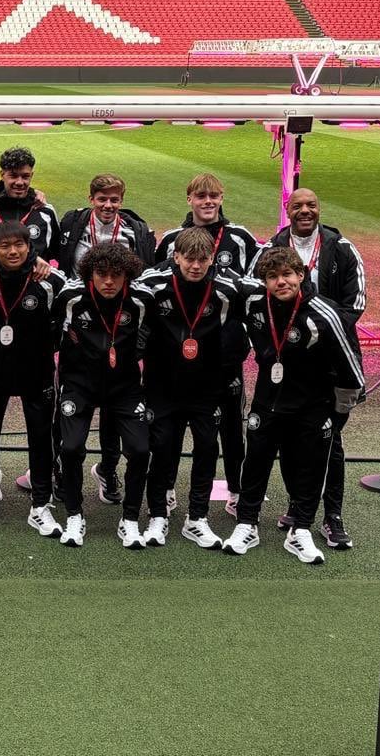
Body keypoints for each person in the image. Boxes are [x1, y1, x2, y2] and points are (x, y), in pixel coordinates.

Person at [221, 247, 364, 564]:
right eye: (272, 277)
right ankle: (247, 523)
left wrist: (337, 416)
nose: (281, 282)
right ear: (264, 281)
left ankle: (301, 530)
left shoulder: (324, 314)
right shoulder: (254, 303)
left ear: (301, 275)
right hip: (267, 402)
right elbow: (224, 282)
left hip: (312, 406)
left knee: (310, 470)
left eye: (287, 275)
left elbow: (351, 370)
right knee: (255, 463)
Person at [253, 187, 366, 549]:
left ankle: (332, 516)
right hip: (288, 365)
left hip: (329, 363)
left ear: (319, 208)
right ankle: (298, 508)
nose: (305, 211)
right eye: (297, 206)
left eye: (311, 205)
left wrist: (320, 327)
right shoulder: (269, 249)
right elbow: (256, 298)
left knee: (328, 442)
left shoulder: (342, 248)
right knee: (288, 439)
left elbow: (355, 303)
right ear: (287, 210)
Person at [154, 172, 259, 517]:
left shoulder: (241, 237)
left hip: (224, 355)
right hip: (178, 354)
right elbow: (159, 286)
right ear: (190, 200)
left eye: (213, 196)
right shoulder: (171, 239)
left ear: (222, 197)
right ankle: (166, 489)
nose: (208, 202)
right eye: (201, 196)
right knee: (171, 429)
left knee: (231, 423)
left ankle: (236, 489)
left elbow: (256, 285)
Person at [136, 228, 245, 549]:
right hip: (162, 386)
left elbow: (260, 292)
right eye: (189, 259)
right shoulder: (154, 285)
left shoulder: (226, 288)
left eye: (203, 260)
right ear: (176, 257)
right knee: (163, 449)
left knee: (207, 450)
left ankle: (197, 519)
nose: (195, 266)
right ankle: (158, 516)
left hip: (206, 389)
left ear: (212, 259)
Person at [51, 174, 156, 507]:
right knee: (69, 413)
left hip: (118, 322)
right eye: (102, 199)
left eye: (114, 199)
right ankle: (61, 476)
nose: (108, 205)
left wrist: (134, 346)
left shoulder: (137, 232)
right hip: (81, 316)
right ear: (91, 198)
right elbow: (54, 254)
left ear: (121, 200)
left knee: (114, 411)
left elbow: (147, 280)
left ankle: (107, 471)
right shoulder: (73, 222)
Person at [0, 221, 66, 537]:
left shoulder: (51, 282)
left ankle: (40, 504)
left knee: (40, 438)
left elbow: (76, 298)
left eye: (19, 245)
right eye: (4, 246)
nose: (13, 251)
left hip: (37, 373)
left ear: (29, 246)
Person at [53, 243, 154, 549]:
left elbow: (149, 338)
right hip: (78, 384)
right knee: (70, 448)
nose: (108, 281)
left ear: (127, 276)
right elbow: (52, 335)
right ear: (89, 274)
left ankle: (131, 520)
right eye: (101, 274)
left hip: (123, 386)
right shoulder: (70, 298)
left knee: (139, 450)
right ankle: (74, 514)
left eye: (116, 275)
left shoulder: (141, 301)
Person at [0, 147, 60, 266]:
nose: (20, 182)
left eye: (25, 176)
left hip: (35, 282)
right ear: (2, 175)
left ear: (32, 175)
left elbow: (59, 253)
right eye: (13, 176)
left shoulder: (46, 212)